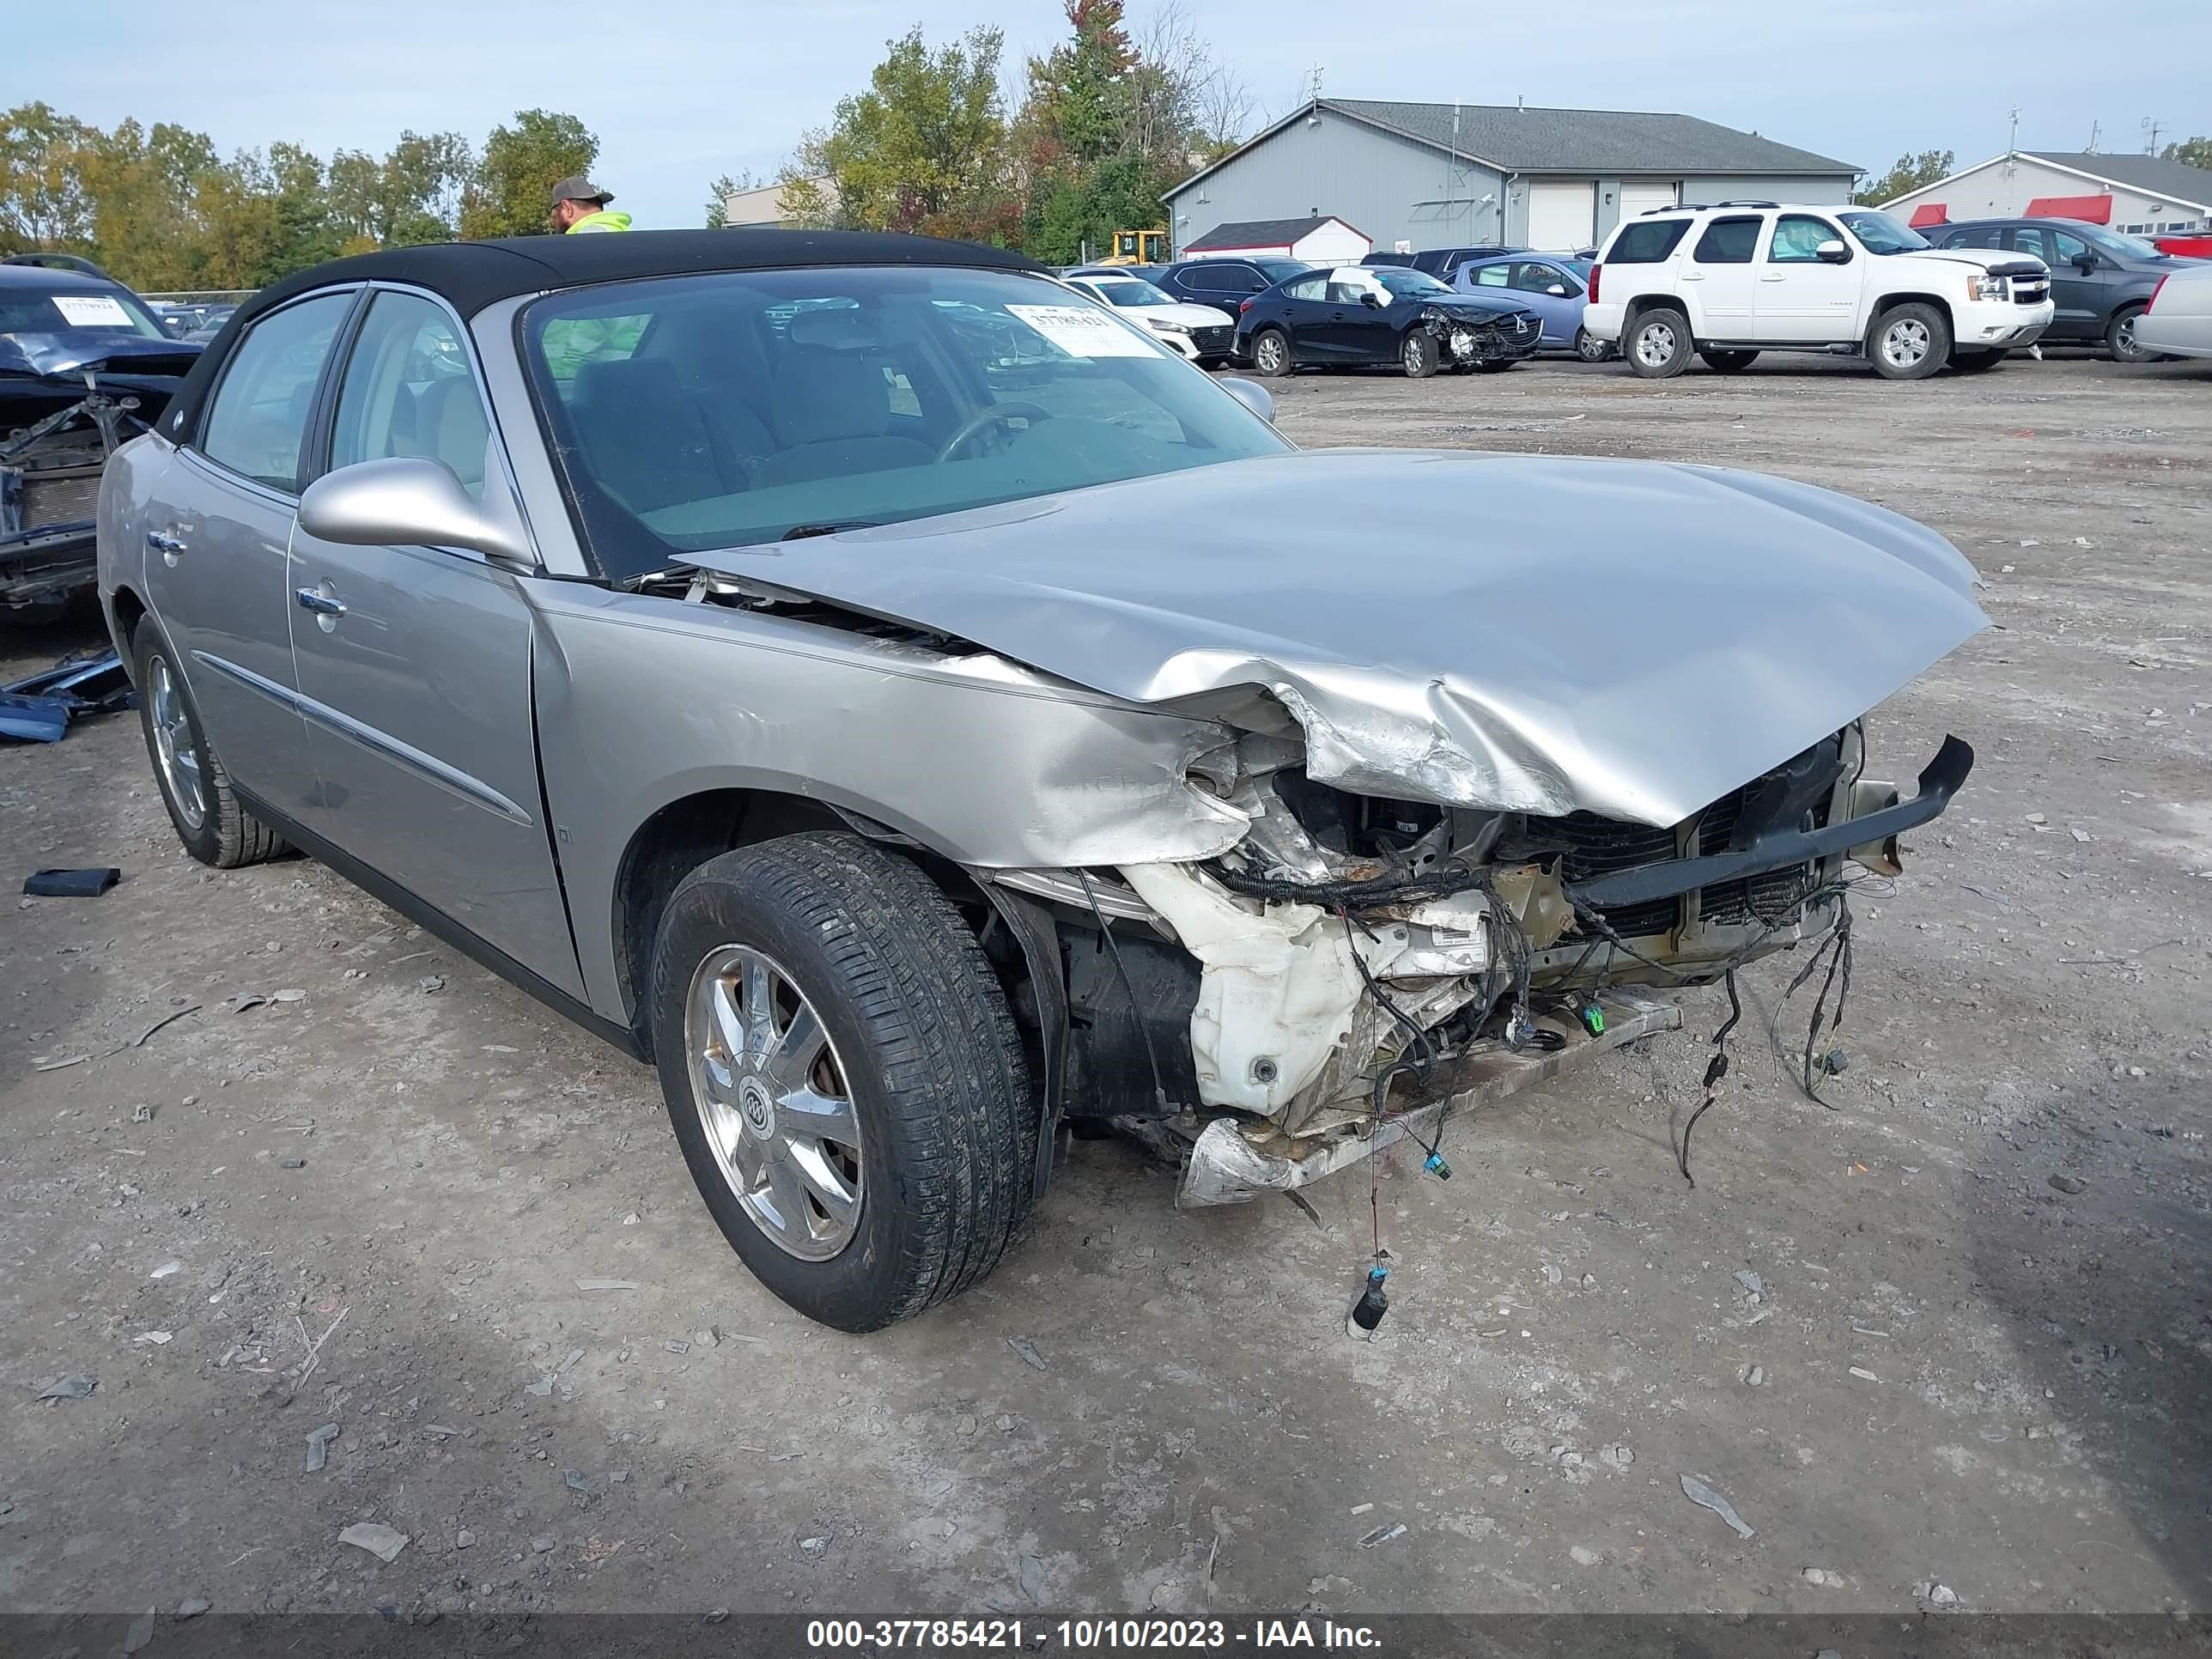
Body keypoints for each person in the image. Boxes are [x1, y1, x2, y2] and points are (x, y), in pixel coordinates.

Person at [549, 178, 631, 234]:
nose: (554, 224)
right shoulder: (623, 231)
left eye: (554, 217)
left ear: (567, 208)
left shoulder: (584, 238)